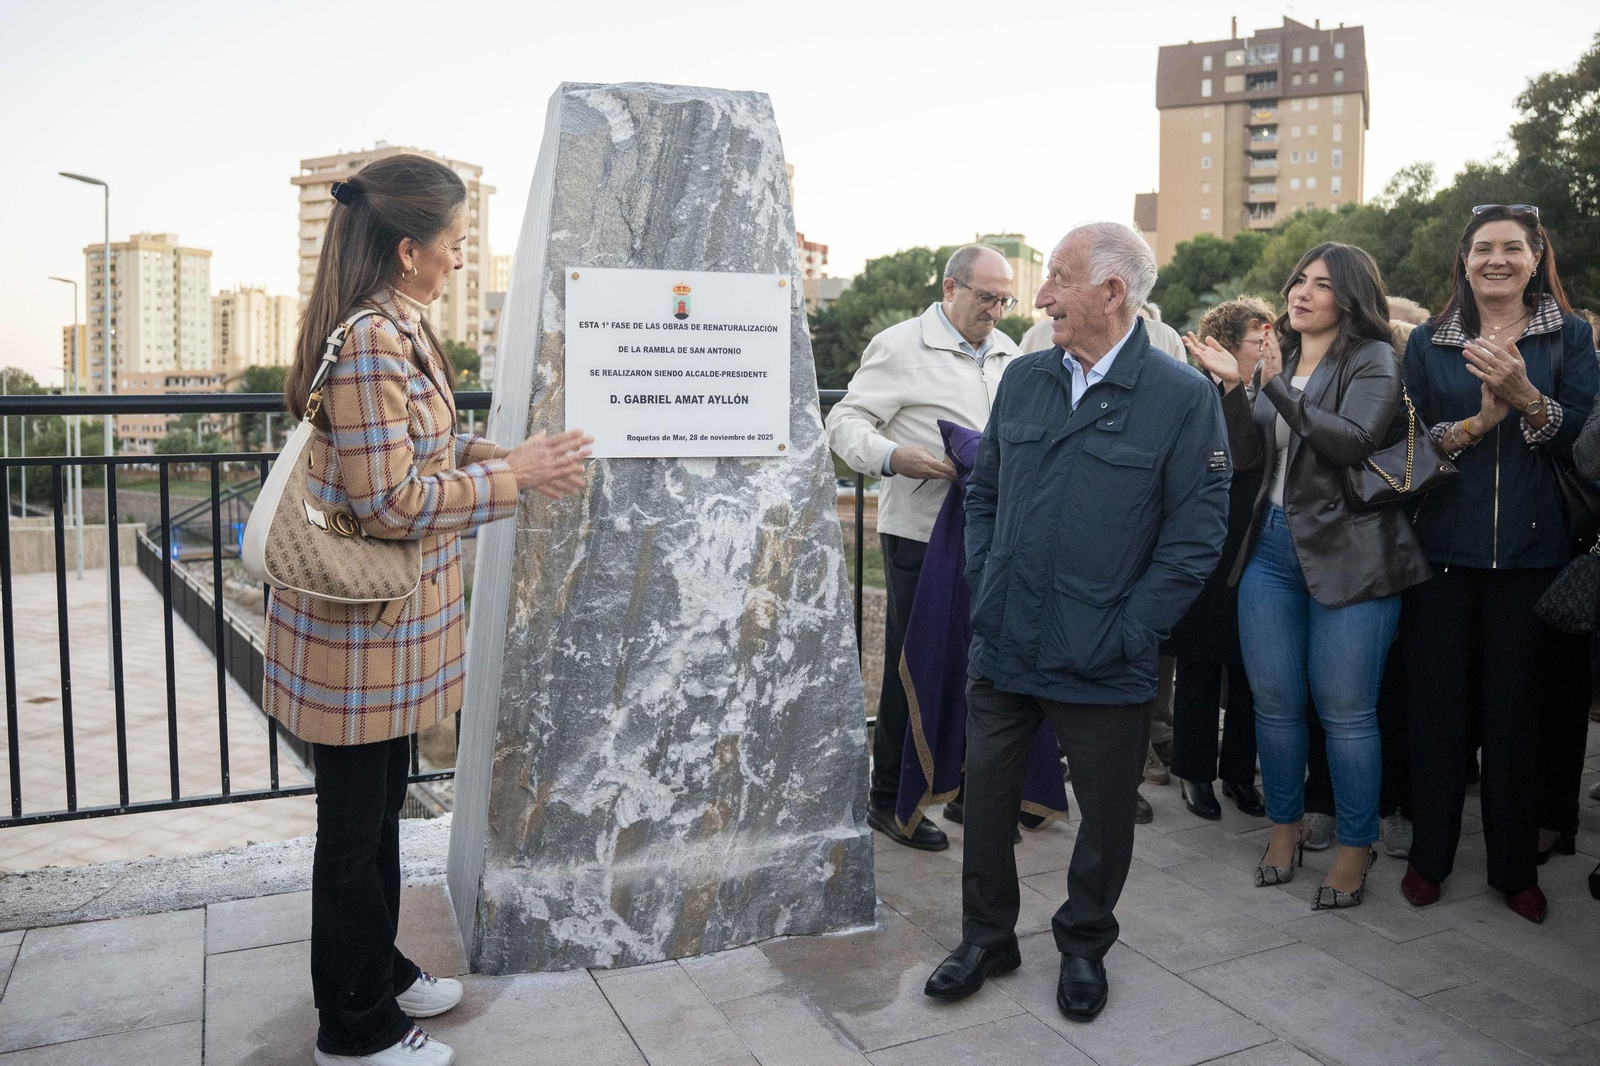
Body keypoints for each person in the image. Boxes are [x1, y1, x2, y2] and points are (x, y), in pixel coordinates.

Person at [269, 154, 592, 1066]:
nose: (459, 259)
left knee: (375, 819)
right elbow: (391, 503)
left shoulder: (388, 325)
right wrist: (512, 479)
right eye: (452, 245)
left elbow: (429, 441)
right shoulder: (373, 339)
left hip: (379, 635)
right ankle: (356, 1024)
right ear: (409, 250)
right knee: (354, 832)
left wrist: (509, 453)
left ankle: (382, 967)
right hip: (362, 635)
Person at [923, 222, 1229, 1022]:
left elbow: (1195, 537)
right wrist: (987, 582)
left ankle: (1085, 944)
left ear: (1112, 291)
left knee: (1104, 816)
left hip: (1105, 655)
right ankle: (987, 937)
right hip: (1007, 641)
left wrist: (1132, 631)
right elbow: (984, 492)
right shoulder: (1024, 379)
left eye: (1058, 278)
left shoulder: (1183, 397)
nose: (1042, 295)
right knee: (984, 802)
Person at [1211, 242, 1432, 910]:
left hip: (1351, 553)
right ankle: (1283, 831)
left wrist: (1274, 386)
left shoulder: (1373, 358)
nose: (1301, 293)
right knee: (1275, 708)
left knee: (1346, 714)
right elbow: (1250, 455)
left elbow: (1349, 443)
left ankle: (1353, 847)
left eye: (1321, 285)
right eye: (1297, 281)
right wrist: (1234, 387)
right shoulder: (1277, 358)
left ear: (1351, 297)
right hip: (1271, 550)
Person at [1399, 204, 1596, 924]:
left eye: (1513, 248)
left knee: (1516, 716)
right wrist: (1480, 422)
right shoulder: (1427, 340)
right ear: (1464, 258)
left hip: (1533, 555)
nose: (1497, 260)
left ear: (1536, 255)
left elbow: (1586, 441)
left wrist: (1526, 399)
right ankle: (1430, 857)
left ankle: (1513, 869)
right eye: (1484, 248)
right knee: (1437, 713)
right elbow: (1410, 445)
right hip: (1442, 557)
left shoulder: (1569, 336)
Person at [825, 245, 1021, 850]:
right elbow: (844, 422)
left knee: (981, 665)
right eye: (985, 297)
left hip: (992, 537)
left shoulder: (1011, 354)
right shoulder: (899, 344)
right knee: (917, 667)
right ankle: (890, 798)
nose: (994, 310)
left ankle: (960, 788)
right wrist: (891, 457)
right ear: (949, 287)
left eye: (1003, 300)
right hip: (920, 535)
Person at [1171, 296, 1275, 821]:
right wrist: (1234, 386)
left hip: (1262, 545)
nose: (1269, 348)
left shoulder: (1281, 393)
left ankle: (1239, 771)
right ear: (1225, 347)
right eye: (1258, 341)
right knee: (1201, 661)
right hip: (1210, 547)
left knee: (1253, 664)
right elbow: (1234, 457)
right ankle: (1193, 770)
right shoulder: (1198, 396)